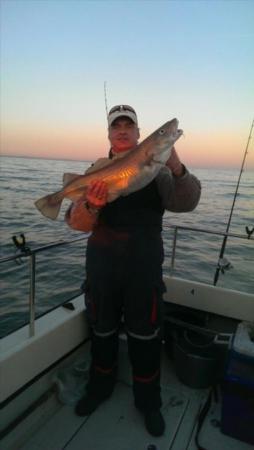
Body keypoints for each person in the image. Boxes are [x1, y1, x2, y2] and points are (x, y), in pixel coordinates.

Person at [65, 105, 201, 437]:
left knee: (146, 337)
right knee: (102, 331)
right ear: (109, 134)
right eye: (117, 126)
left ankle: (148, 402)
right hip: (102, 267)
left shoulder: (160, 173)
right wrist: (93, 205)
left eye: (130, 126)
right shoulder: (96, 171)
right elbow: (75, 223)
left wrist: (178, 166)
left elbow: (187, 203)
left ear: (140, 135)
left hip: (143, 269)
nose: (123, 131)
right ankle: (99, 388)